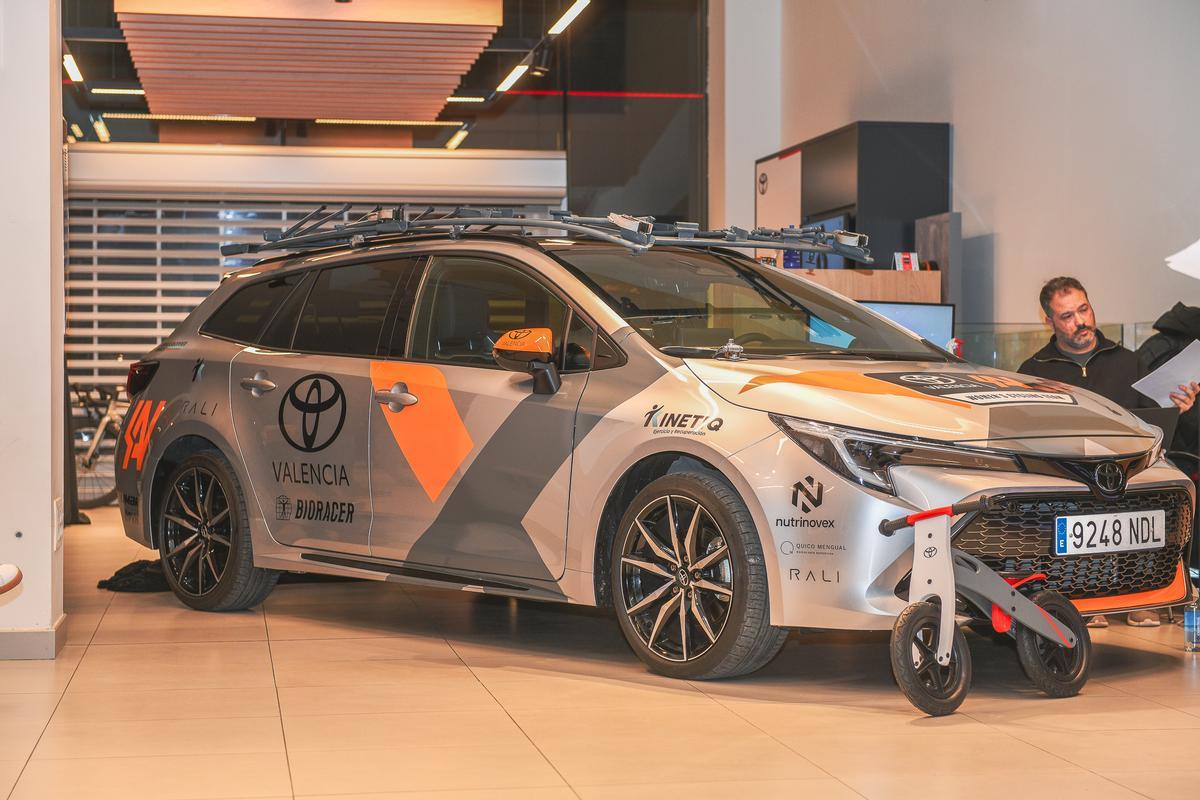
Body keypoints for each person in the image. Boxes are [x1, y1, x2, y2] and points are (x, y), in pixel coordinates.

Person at [1018, 277, 1200, 628]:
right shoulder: (1034, 371)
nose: (1080, 321)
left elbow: (1155, 424)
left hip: (1130, 467)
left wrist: (1181, 407)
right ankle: (1086, 600)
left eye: (1084, 310)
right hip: (1069, 472)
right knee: (1073, 501)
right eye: (1067, 316)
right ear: (1049, 322)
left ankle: (1142, 598)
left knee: (1154, 491)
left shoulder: (1129, 362)